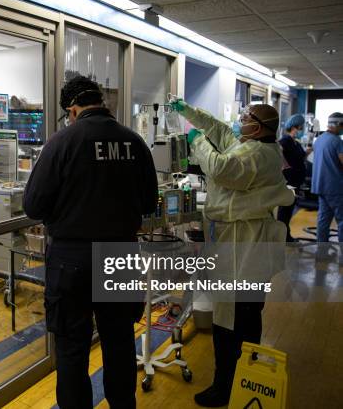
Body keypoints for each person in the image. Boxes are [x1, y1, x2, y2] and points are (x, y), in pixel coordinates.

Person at [23, 75, 157, 408]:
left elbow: (33, 206)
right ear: (101, 101)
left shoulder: (61, 142)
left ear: (72, 109)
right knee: (119, 341)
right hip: (120, 255)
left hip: (72, 259)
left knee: (72, 349)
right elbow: (149, 202)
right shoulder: (134, 142)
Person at [170, 99, 294, 407]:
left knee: (232, 324)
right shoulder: (250, 145)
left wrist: (195, 141)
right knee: (243, 318)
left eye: (246, 117)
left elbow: (220, 168)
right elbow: (221, 130)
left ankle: (226, 387)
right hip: (240, 243)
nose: (240, 120)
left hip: (244, 248)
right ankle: (238, 378)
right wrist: (189, 112)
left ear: (258, 126)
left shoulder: (258, 156)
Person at [311, 112, 343, 247]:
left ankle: (321, 252)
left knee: (323, 219)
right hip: (335, 187)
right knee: (342, 220)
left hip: (320, 185)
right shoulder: (337, 141)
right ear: (338, 125)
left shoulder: (319, 140)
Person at [277, 114, 308, 242]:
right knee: (285, 209)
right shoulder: (285, 141)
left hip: (295, 182)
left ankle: (286, 235)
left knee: (289, 210)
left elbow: (299, 157)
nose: (302, 130)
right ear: (294, 127)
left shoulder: (295, 142)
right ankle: (283, 237)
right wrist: (285, 166)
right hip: (288, 182)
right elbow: (277, 152)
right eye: (301, 127)